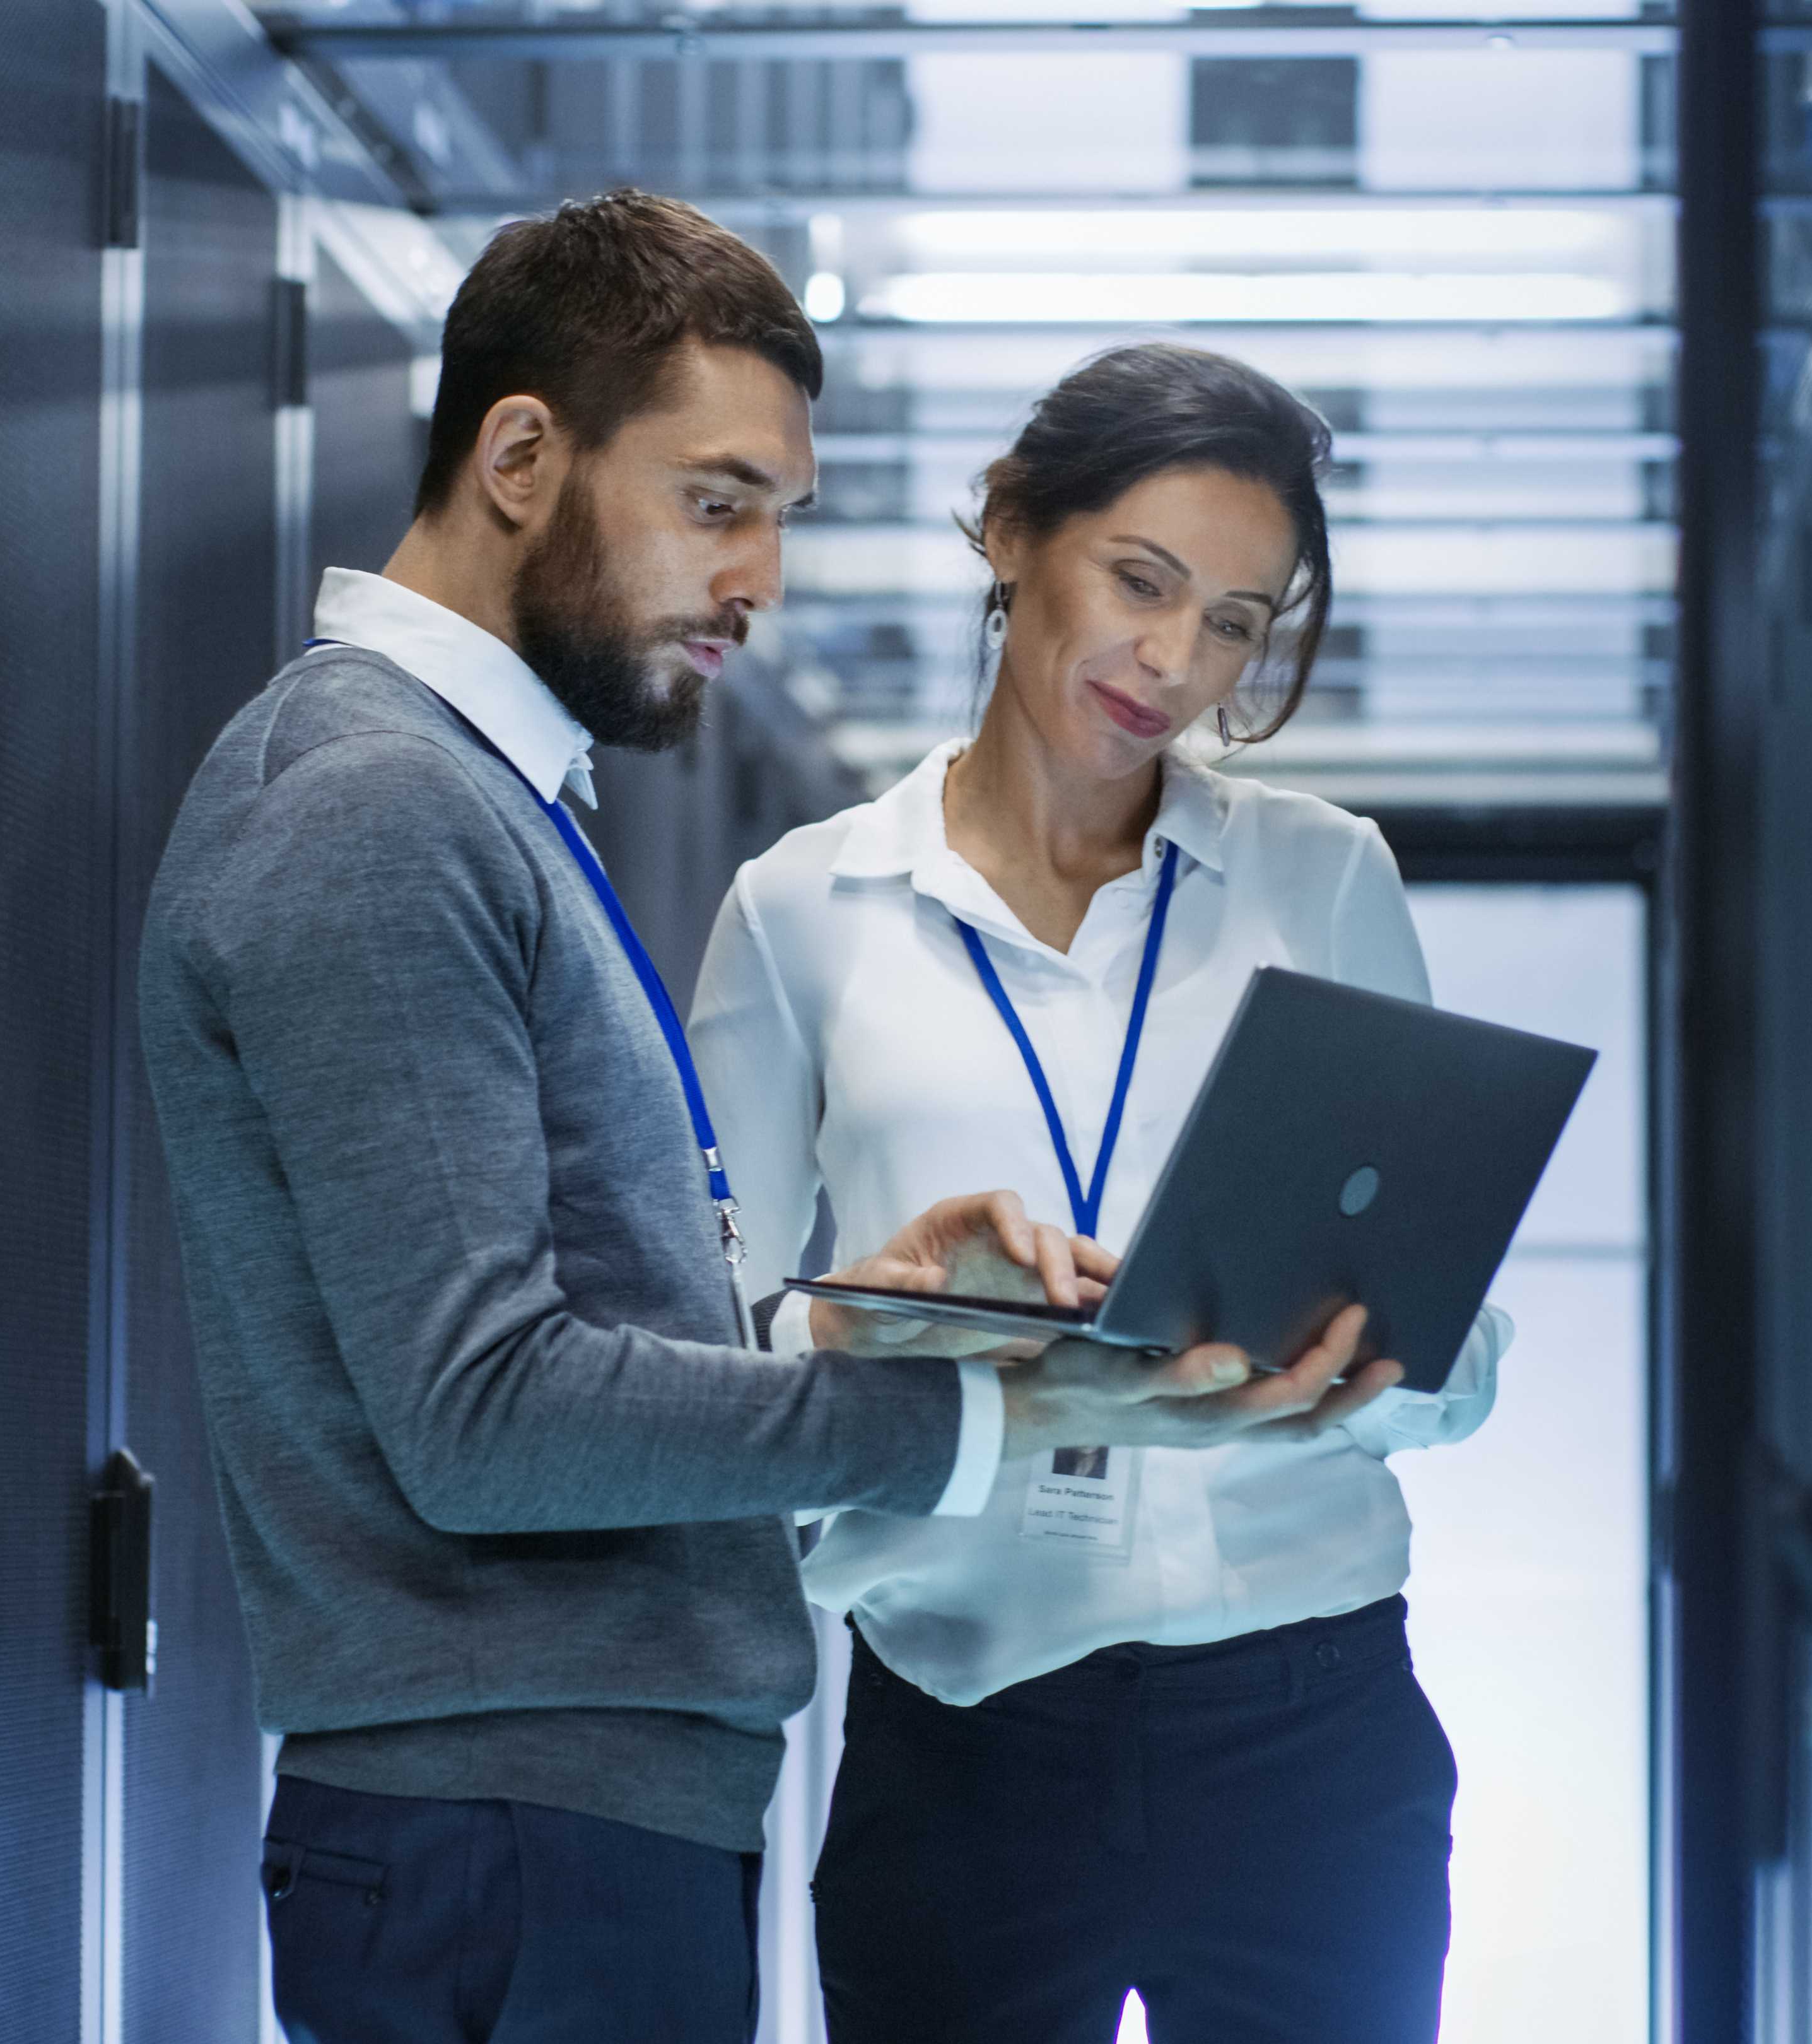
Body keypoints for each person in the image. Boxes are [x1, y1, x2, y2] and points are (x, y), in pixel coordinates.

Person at [136, 200, 1400, 2043]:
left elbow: (614, 1335)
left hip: (575, 1807)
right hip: (519, 1820)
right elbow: (483, 1413)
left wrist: (856, 1310)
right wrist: (975, 1407)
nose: (759, 582)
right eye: (718, 503)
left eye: (781, 519)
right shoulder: (377, 812)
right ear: (517, 456)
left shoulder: (476, 802)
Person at [690, 342, 1512, 2043]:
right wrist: (899, 1331)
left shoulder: (1322, 877)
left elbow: (1458, 1335)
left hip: (1309, 1721)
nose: (1176, 660)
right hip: (959, 1726)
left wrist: (1369, 1365)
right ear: (1007, 529)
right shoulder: (803, 909)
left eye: (1234, 618)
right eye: (1141, 580)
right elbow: (710, 1369)